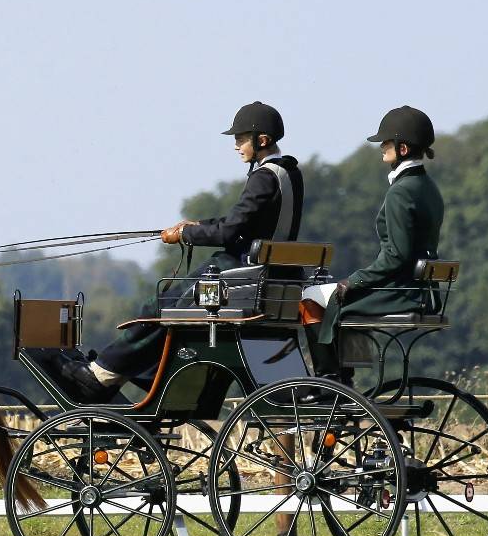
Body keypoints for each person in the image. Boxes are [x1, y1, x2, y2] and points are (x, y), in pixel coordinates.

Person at [59, 101, 304, 401]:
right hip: (273, 274)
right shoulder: (289, 173)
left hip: (239, 273)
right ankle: (143, 374)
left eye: (241, 139)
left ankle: (103, 374)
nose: (237, 145)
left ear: (261, 140)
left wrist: (186, 234)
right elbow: (241, 223)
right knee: (167, 305)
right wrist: (196, 224)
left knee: (158, 306)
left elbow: (230, 232)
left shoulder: (262, 177)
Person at [310, 105, 444, 378]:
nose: (382, 147)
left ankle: (329, 383)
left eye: (386, 142)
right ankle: (344, 380)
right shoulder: (428, 187)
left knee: (310, 299)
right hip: (420, 291)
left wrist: (356, 280)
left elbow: (396, 255)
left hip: (399, 291)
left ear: (403, 148)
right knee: (333, 296)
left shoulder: (401, 192)